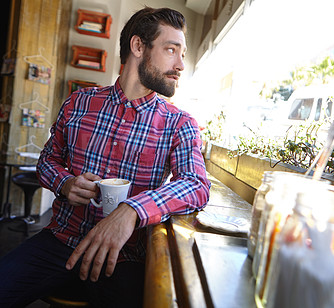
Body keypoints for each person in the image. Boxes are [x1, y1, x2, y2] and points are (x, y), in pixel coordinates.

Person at [0, 6, 210, 308]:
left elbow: (196, 185)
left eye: (182, 53)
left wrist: (131, 211)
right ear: (138, 47)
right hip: (59, 241)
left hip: (124, 256)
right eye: (171, 50)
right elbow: (46, 162)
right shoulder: (78, 103)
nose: (180, 64)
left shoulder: (180, 123)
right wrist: (66, 183)